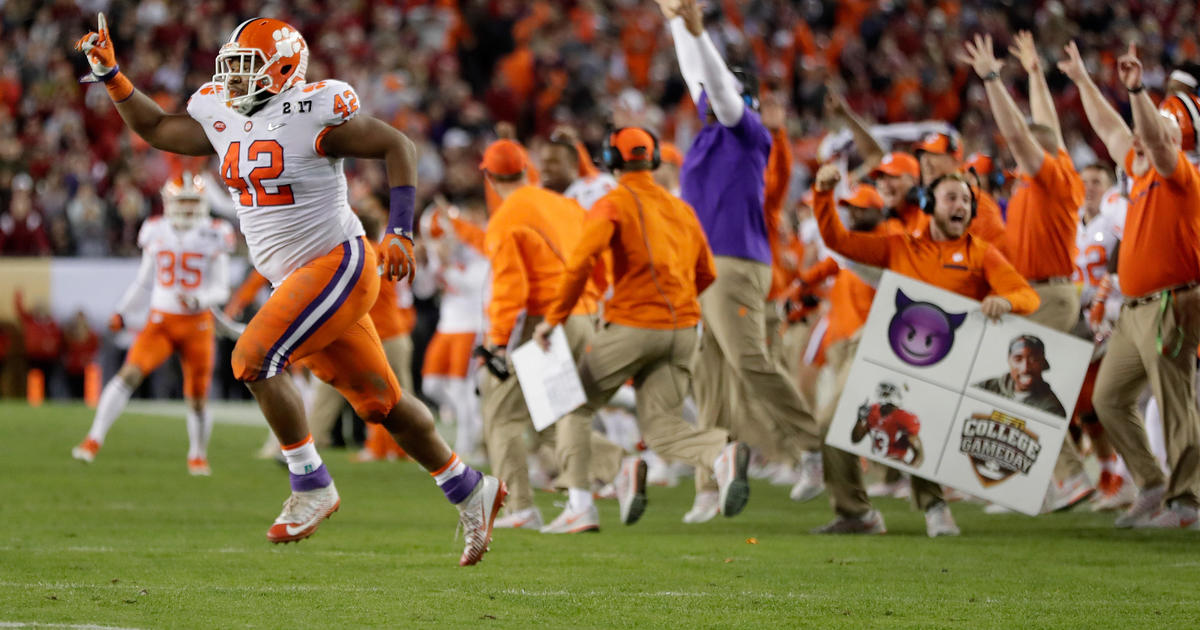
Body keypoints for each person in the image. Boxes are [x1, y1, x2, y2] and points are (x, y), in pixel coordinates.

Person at [75, 14, 504, 564]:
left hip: (337, 262)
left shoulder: (314, 110)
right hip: (296, 277)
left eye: (246, 69)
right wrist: (112, 75)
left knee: (252, 357)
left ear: (282, 68)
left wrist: (400, 230)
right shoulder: (222, 111)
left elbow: (399, 145)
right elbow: (158, 128)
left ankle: (311, 483)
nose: (232, 81)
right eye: (229, 68)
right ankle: (470, 488)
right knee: (382, 402)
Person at [532, 127, 749, 531]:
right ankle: (719, 452)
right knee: (662, 427)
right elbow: (707, 273)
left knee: (571, 405)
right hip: (684, 329)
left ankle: (582, 503)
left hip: (633, 322)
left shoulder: (612, 203)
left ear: (611, 160)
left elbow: (581, 264)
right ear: (652, 161)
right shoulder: (682, 209)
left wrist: (553, 319)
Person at [810, 164, 1040, 536]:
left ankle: (934, 505)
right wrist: (822, 196)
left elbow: (1027, 295)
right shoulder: (900, 246)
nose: (961, 205)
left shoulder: (982, 254)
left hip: (946, 368)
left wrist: (1008, 303)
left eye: (967, 200)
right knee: (829, 420)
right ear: (930, 204)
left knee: (919, 420)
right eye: (952, 197)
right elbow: (838, 241)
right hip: (888, 353)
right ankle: (856, 513)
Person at [659, 0, 822, 519]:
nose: (703, 94)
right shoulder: (709, 132)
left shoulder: (747, 130)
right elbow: (696, 72)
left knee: (751, 362)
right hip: (703, 267)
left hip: (735, 263)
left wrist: (698, 32)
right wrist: (677, 23)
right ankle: (708, 484)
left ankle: (811, 446)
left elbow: (719, 87)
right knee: (706, 376)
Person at [1060, 40, 1200, 529]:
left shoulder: (1179, 172)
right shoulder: (1141, 172)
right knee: (1109, 399)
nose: (1139, 134)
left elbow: (1160, 143)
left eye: (1158, 124)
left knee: (1175, 404)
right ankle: (1153, 483)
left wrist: (1138, 88)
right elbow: (1110, 128)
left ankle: (1188, 504)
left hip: (1170, 304)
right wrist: (1082, 81)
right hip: (1135, 308)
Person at [960, 31, 1093, 509]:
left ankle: (1070, 477)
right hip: (1042, 293)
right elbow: (1043, 127)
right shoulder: (1054, 173)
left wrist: (993, 77)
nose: (1018, 158)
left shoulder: (1052, 177)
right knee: (1015, 384)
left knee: (1017, 383)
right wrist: (1036, 73)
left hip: (1050, 294)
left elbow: (1024, 133)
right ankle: (1034, 481)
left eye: (1025, 154)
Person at [476, 138, 621, 532]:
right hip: (585, 311)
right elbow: (599, 256)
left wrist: (497, 343)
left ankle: (520, 507)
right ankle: (618, 466)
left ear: (489, 177)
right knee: (552, 410)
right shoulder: (566, 203)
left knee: (502, 415)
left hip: (546, 320)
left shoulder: (506, 217)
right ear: (528, 170)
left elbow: (511, 290)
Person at [71, 174, 232, 474]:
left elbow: (222, 287)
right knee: (129, 373)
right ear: (169, 203)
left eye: (191, 202)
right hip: (161, 321)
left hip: (198, 324)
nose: (185, 208)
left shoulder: (215, 232)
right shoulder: (156, 230)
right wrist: (122, 311)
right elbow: (144, 283)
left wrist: (200, 299)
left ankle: (197, 453)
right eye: (181, 202)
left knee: (197, 397)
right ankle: (94, 438)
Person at [973, 335, 1067, 417]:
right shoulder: (985, 387)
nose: (1025, 368)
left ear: (1043, 363)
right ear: (1009, 361)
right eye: (1018, 359)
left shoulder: (1052, 410)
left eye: (1033, 359)